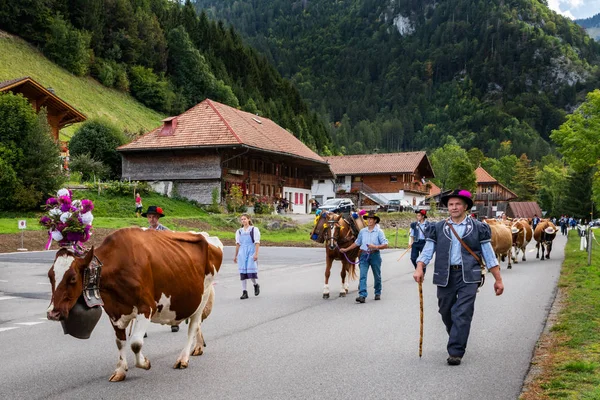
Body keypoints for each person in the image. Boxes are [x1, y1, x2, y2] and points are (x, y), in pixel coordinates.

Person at [413, 189, 504, 366]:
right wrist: (419, 267)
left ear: (465, 207)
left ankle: (455, 351)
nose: (453, 207)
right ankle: (457, 335)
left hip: (469, 275)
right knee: (445, 311)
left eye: (457, 204)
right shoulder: (438, 228)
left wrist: (498, 279)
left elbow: (488, 254)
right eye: (451, 204)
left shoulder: (478, 228)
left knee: (462, 313)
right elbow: (428, 250)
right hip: (444, 275)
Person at [142, 205, 178, 333]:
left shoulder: (166, 232)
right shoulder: (144, 233)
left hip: (164, 265)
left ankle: (174, 321)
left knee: (170, 293)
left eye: (154, 217)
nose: (151, 219)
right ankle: (142, 326)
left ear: (158, 218)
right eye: (149, 217)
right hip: (151, 267)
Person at [340, 210, 388, 303]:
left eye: (371, 219)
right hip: (363, 255)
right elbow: (357, 243)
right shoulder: (362, 231)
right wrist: (346, 249)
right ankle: (362, 295)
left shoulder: (379, 232)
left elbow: (385, 244)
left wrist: (375, 246)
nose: (369, 221)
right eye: (368, 219)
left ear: (375, 221)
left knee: (377, 275)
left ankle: (377, 292)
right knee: (362, 275)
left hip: (375, 255)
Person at [234, 214, 261, 299]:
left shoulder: (254, 229)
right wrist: (236, 255)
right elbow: (238, 244)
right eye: (242, 219)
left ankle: (255, 284)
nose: (243, 221)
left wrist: (256, 254)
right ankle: (244, 291)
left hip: (251, 251)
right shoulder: (239, 231)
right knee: (243, 272)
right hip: (242, 252)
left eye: (244, 219)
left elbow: (257, 242)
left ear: (248, 219)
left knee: (250, 271)